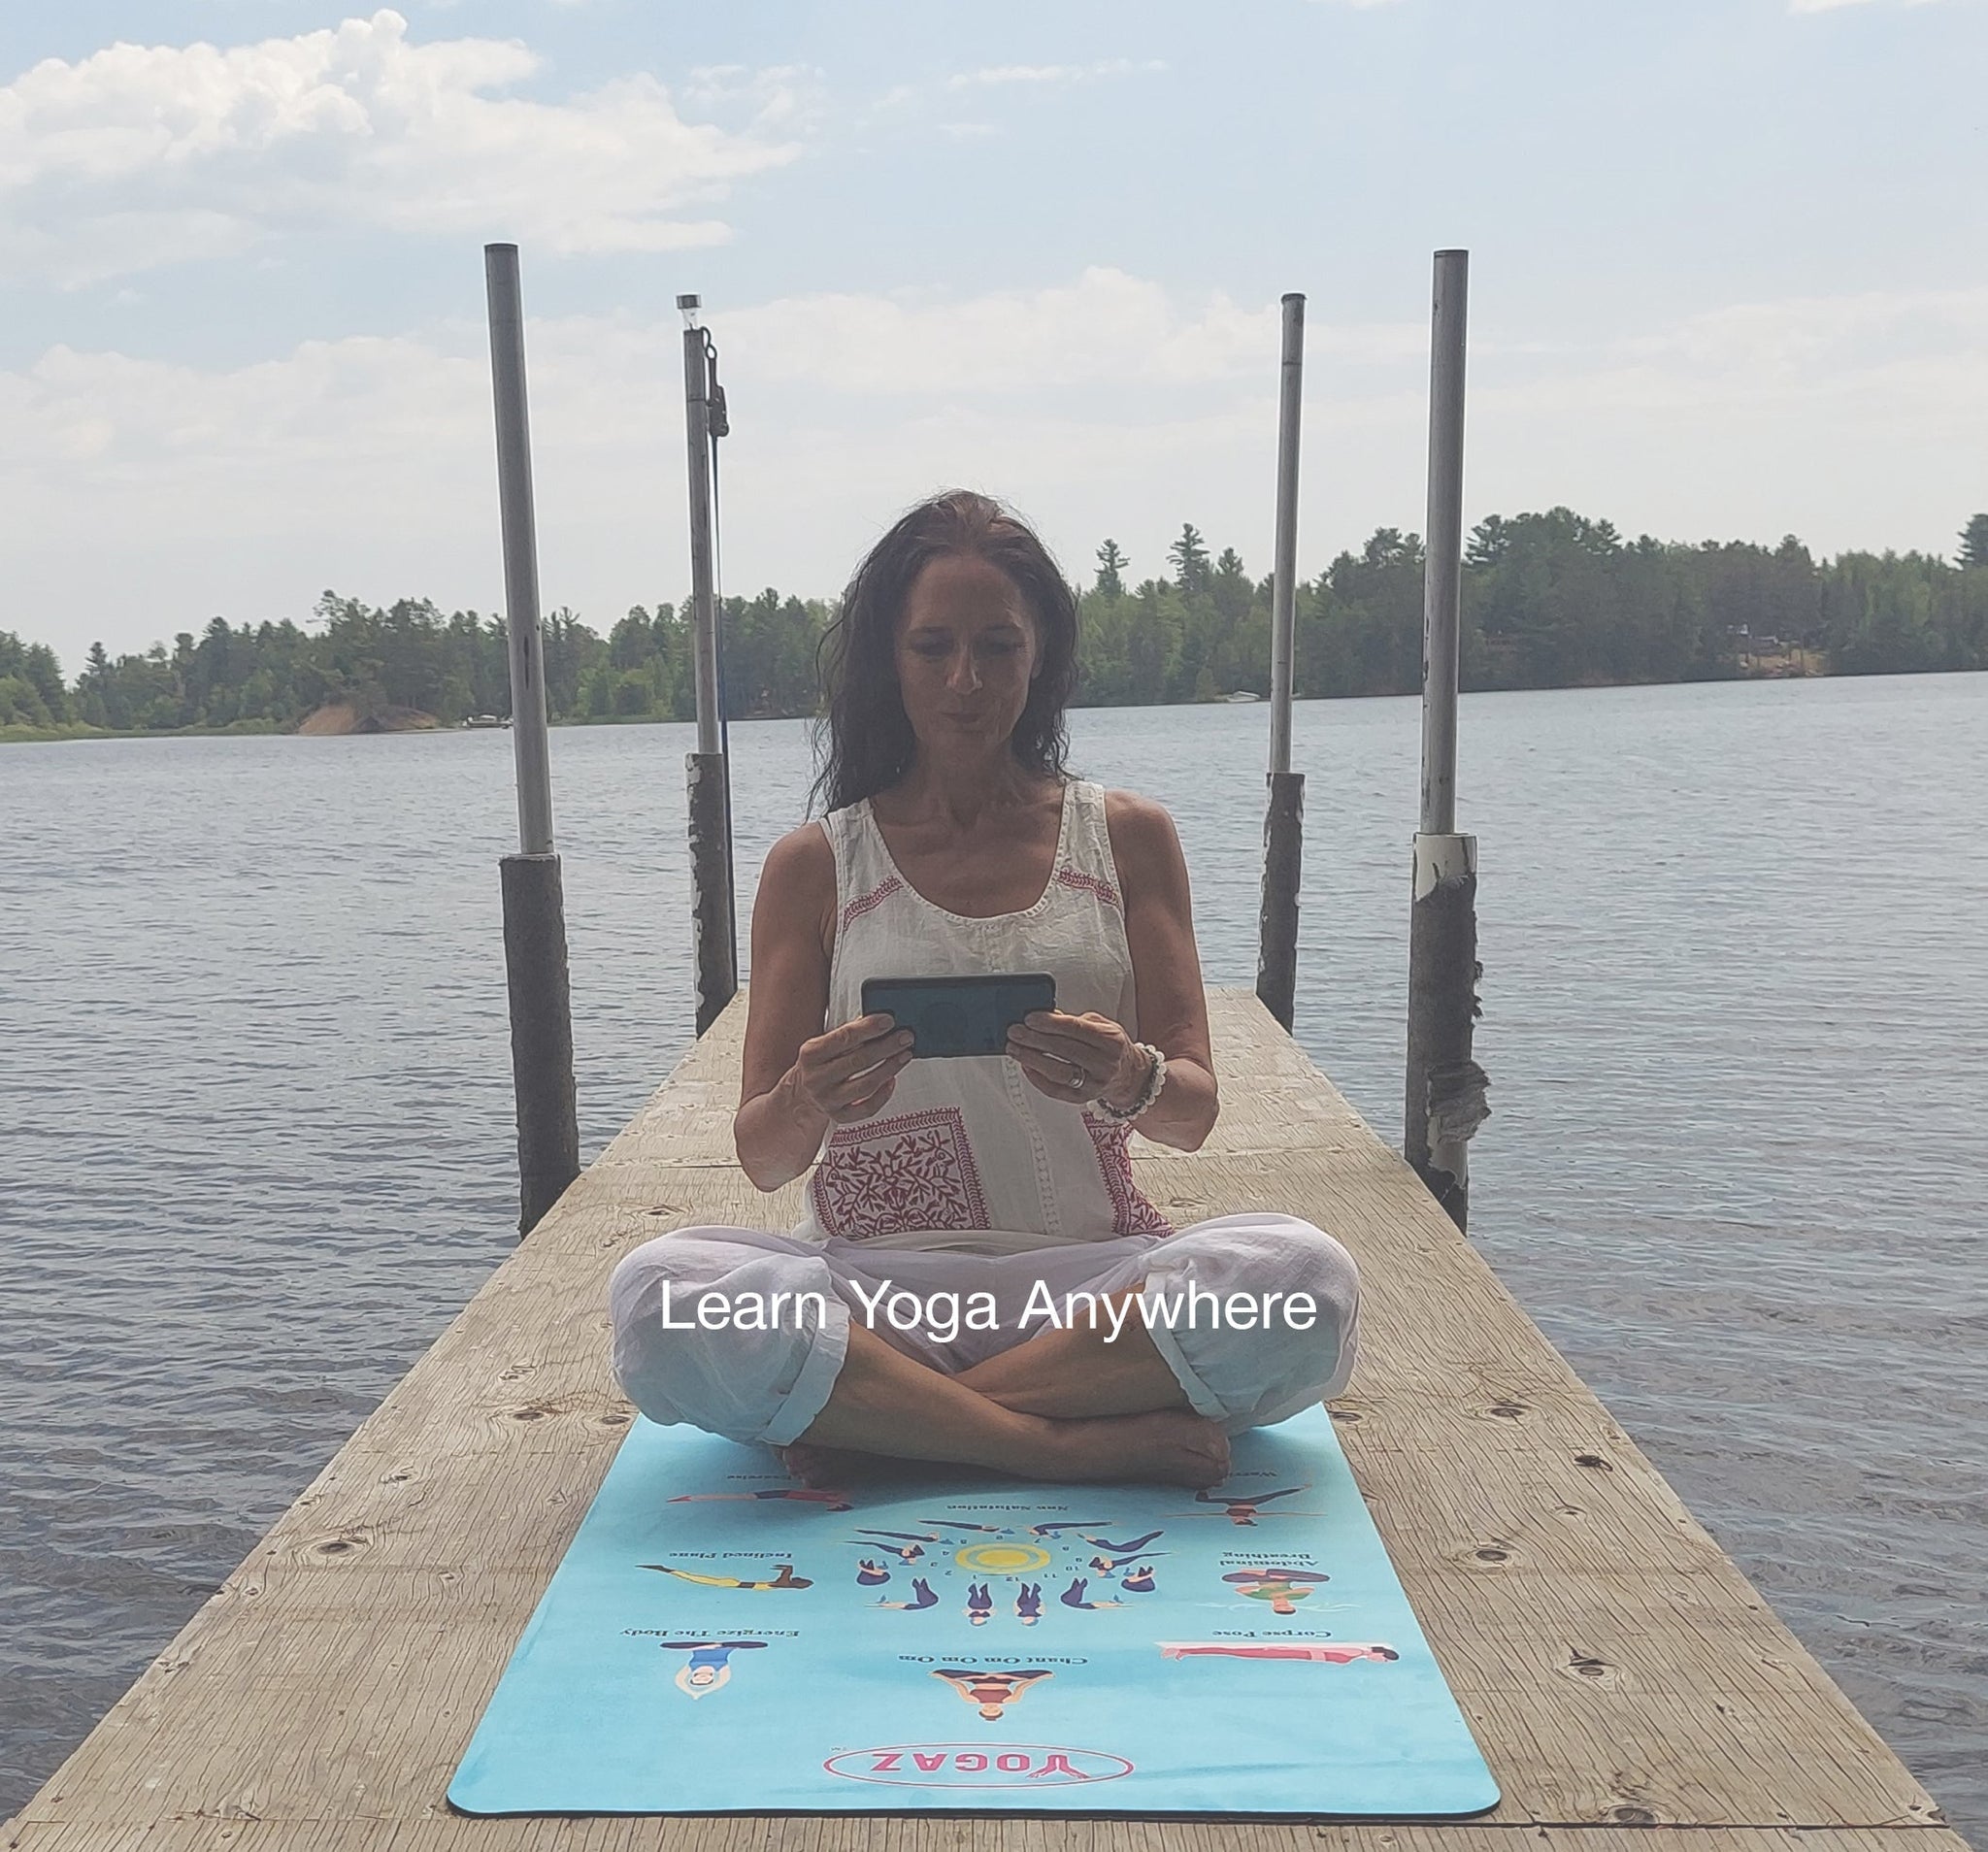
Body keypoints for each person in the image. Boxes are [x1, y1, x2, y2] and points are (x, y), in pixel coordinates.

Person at [609, 491, 1360, 1489]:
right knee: (660, 1298)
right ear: (890, 659)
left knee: (1305, 1283)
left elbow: (1190, 1116)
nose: (965, 679)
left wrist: (1128, 1075)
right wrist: (807, 1096)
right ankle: (1052, 1443)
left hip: (1086, 1294)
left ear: (1039, 654)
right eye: (933, 647)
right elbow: (763, 1156)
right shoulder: (816, 864)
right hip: (876, 1295)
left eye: (997, 646)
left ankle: (892, 1424)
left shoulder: (1127, 839)